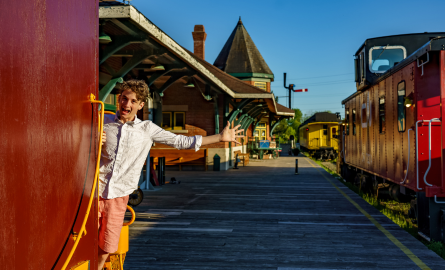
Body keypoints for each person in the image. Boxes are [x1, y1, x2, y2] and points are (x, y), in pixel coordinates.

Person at [98, 79, 243, 269]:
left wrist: (220, 138)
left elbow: (181, 141)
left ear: (141, 105)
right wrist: (91, 135)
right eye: (124, 99)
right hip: (90, 193)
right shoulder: (101, 120)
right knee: (81, 239)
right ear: (119, 99)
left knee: (106, 247)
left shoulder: (147, 129)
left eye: (133, 101)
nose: (127, 104)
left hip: (118, 196)